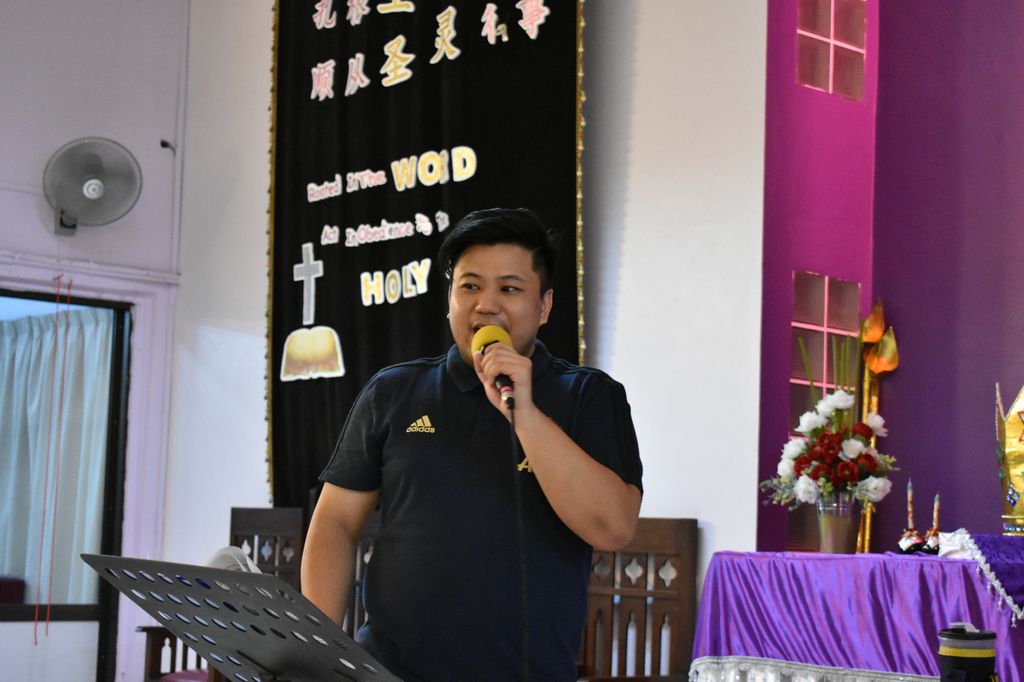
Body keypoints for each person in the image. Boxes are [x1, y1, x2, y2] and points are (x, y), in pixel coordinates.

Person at [301, 207, 643, 681]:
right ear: (449, 300)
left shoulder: (588, 396)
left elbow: (613, 528)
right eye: (470, 286)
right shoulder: (393, 392)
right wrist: (318, 653)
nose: (486, 305)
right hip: (388, 672)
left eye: (509, 289)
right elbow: (336, 521)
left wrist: (525, 413)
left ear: (544, 306)